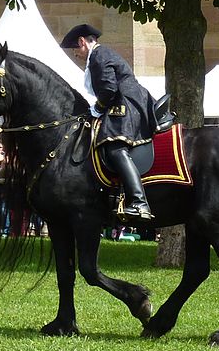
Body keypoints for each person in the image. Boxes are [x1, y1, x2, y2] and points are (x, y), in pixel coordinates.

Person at [61, 23, 157, 221]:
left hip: (126, 104)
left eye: (74, 50)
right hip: (124, 102)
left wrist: (97, 108)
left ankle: (139, 202)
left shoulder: (99, 55)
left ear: (82, 42)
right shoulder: (101, 55)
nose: (76, 55)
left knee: (114, 146)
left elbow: (108, 89)